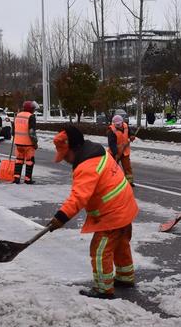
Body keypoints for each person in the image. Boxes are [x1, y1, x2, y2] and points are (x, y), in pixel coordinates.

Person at [49, 125, 139, 299]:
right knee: (120, 244)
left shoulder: (86, 166)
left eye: (66, 155)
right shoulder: (98, 152)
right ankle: (125, 277)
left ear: (74, 148)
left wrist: (60, 217)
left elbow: (78, 197)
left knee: (99, 250)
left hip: (113, 213)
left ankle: (103, 289)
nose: (66, 160)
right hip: (125, 206)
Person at [13, 100, 38, 184]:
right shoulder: (31, 117)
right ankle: (27, 179)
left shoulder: (18, 115)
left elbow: (14, 130)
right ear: (31, 109)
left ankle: (16, 178)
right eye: (33, 108)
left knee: (19, 160)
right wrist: (35, 143)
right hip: (28, 144)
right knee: (30, 161)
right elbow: (32, 132)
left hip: (18, 143)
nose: (34, 110)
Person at [107, 114, 136, 186]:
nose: (118, 125)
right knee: (113, 168)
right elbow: (112, 143)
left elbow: (130, 132)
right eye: (116, 124)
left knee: (127, 167)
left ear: (122, 122)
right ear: (113, 123)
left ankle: (129, 182)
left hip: (125, 151)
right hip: (114, 153)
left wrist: (132, 135)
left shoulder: (126, 126)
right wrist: (116, 153)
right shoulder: (111, 131)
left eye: (119, 124)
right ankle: (112, 182)